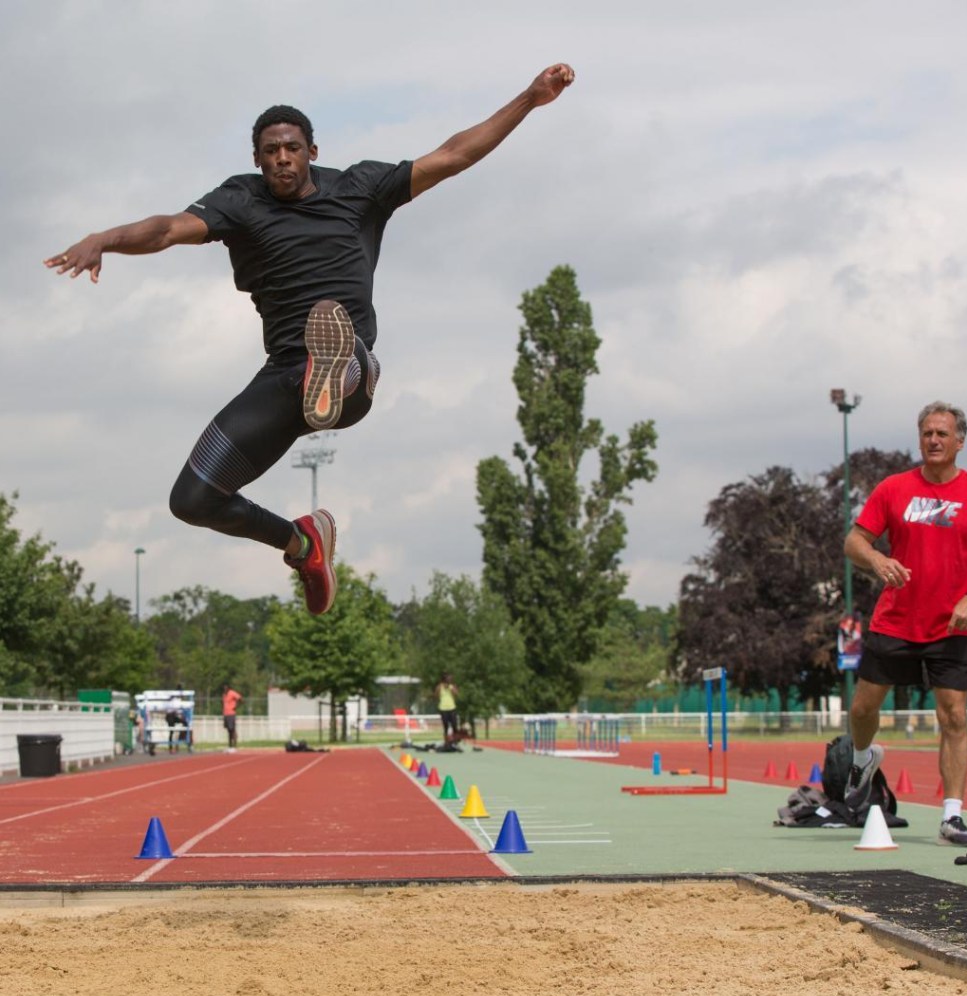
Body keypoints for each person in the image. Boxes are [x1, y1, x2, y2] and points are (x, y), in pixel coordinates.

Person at [44, 65, 576, 616]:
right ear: (257, 159)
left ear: (312, 150)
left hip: (351, 371)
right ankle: (302, 543)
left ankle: (335, 369)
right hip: (283, 377)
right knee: (193, 500)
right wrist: (103, 239)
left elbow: (454, 155)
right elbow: (167, 230)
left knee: (331, 332)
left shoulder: (360, 188)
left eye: (291, 148)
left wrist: (530, 99)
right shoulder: (240, 201)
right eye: (270, 150)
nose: (281, 159)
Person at [842, 401, 967, 847]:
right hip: (896, 620)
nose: (934, 440)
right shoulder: (894, 488)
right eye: (927, 433)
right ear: (920, 439)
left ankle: (952, 818)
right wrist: (877, 558)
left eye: (942, 433)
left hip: (953, 626)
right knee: (862, 709)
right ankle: (862, 758)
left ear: (960, 441)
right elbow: (854, 541)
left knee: (953, 716)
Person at [435, 672, 459, 742]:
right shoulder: (439, 686)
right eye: (449, 679)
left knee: (454, 725)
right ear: (445, 679)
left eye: (451, 679)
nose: (450, 680)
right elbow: (436, 696)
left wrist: (452, 689)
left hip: (452, 708)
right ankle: (446, 741)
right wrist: (438, 691)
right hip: (443, 709)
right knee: (446, 727)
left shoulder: (452, 686)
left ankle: (455, 741)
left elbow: (456, 694)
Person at [222, 684, 243, 751]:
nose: (225, 689)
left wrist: (236, 706)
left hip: (231, 714)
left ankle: (235, 745)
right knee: (228, 730)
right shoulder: (224, 695)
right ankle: (230, 745)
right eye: (224, 688)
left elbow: (240, 699)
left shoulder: (232, 693)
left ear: (228, 688)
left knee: (232, 729)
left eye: (226, 688)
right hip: (226, 714)